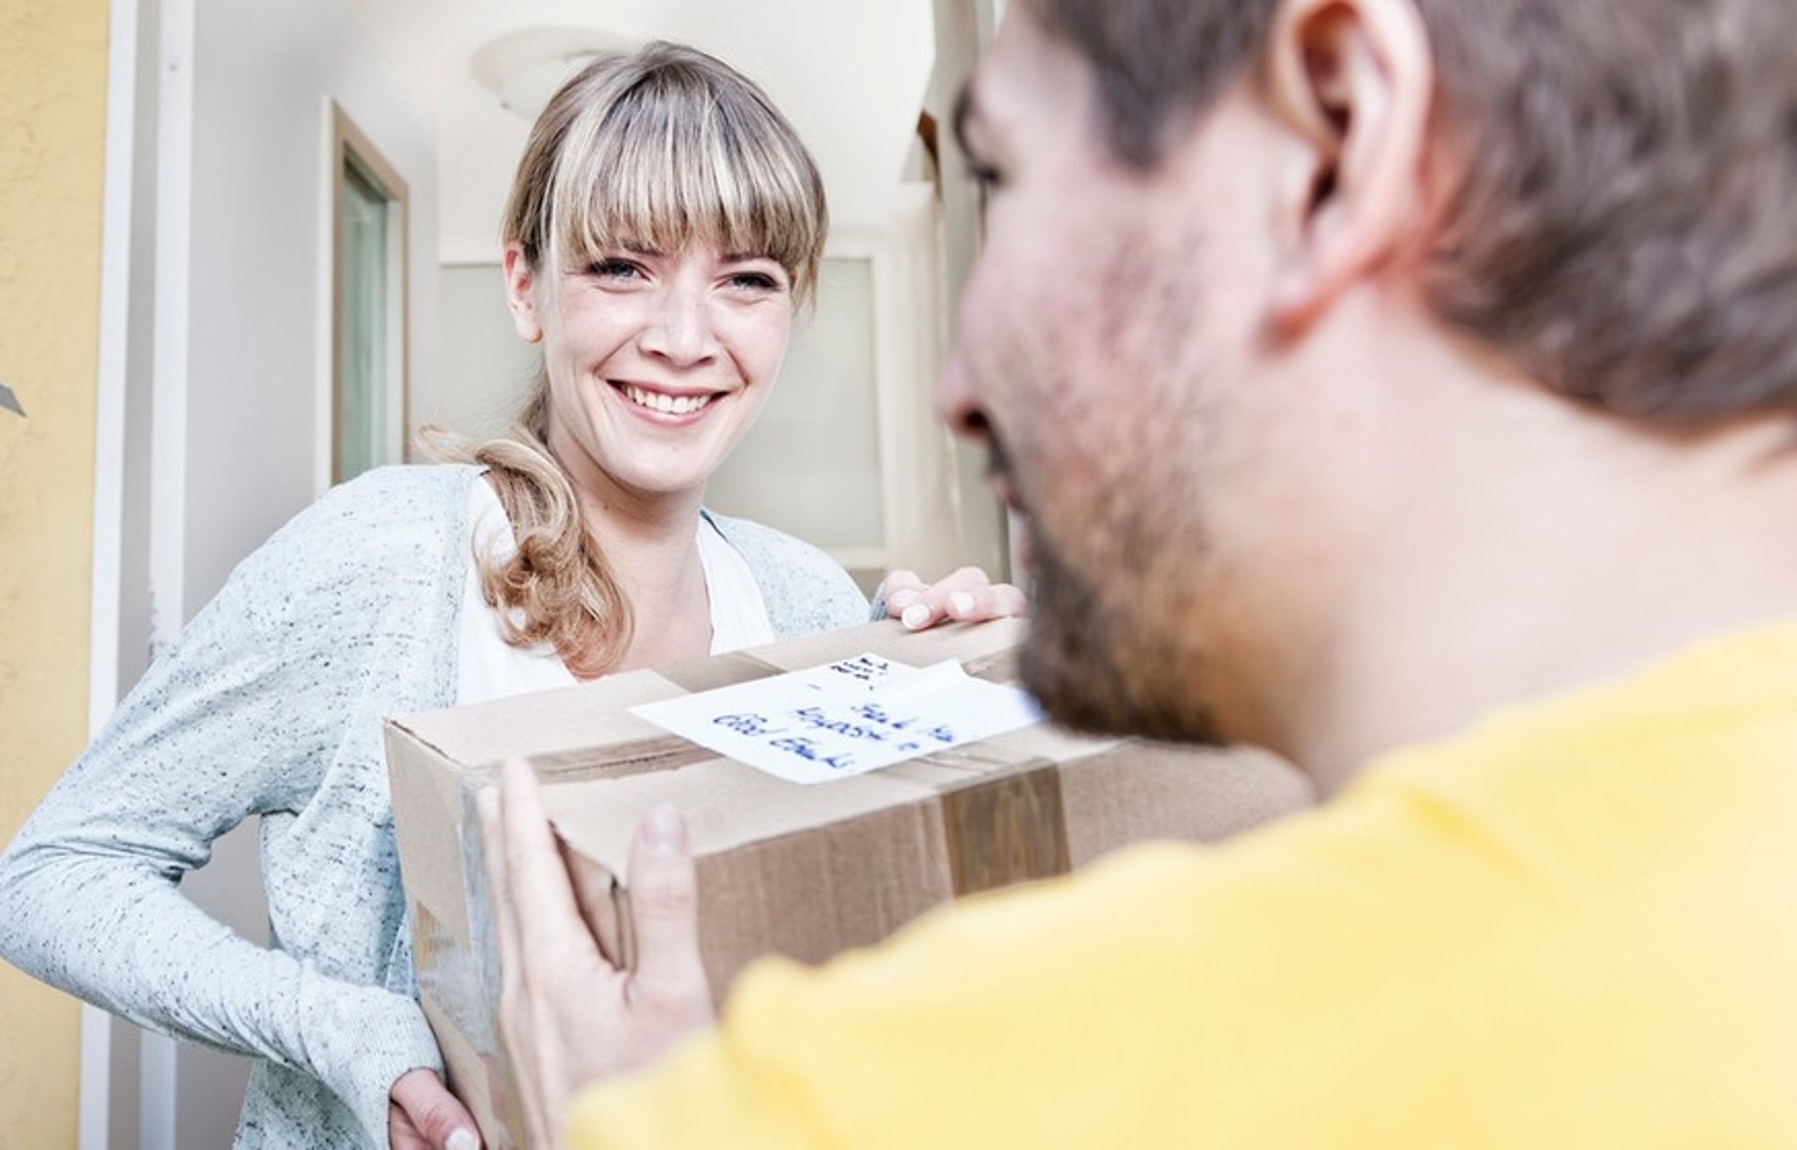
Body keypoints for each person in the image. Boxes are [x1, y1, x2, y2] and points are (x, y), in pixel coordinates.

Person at [482, 0, 1797, 1145]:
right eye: (621, 266)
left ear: (1334, 142)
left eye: (1005, 175)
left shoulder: (822, 1109)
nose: (957, 386)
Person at [0, 41, 1019, 1150]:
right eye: (622, 266)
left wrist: (968, 688)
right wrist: (347, 1030)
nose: (681, 338)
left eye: (746, 279)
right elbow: (52, 876)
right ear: (526, 287)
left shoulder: (808, 598)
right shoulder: (380, 562)